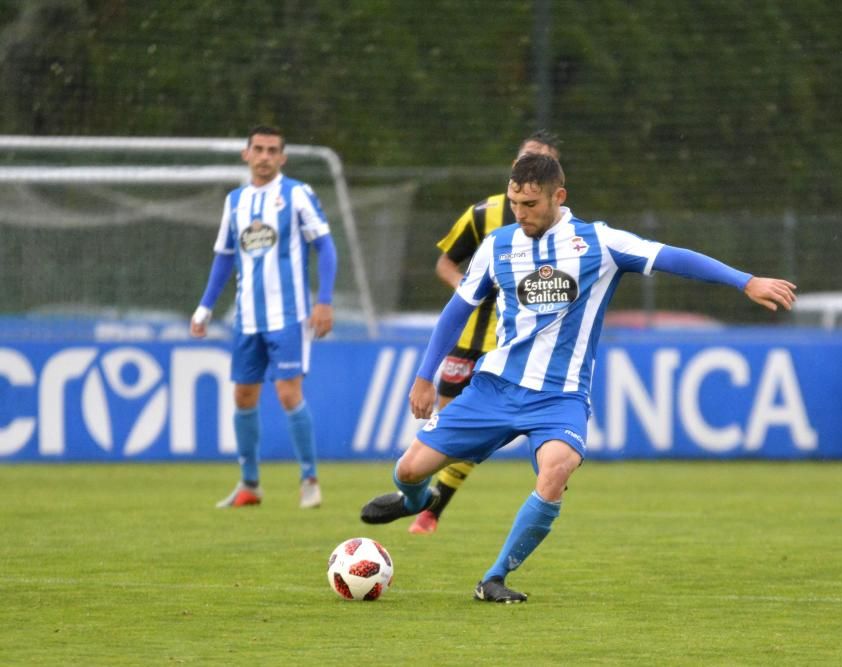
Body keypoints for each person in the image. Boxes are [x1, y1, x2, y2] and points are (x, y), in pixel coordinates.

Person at [360, 153, 796, 602]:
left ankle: (494, 578)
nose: (520, 212)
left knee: (556, 470)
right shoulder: (497, 245)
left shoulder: (598, 243)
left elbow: (671, 257)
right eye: (514, 203)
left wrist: (744, 281)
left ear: (558, 196)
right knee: (409, 470)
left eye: (530, 204)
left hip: (560, 397)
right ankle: (415, 502)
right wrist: (424, 377)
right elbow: (457, 312)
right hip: (495, 387)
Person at [408, 130, 562, 535]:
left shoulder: (564, 229)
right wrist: (471, 290)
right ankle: (419, 497)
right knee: (446, 425)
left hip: (517, 350)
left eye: (543, 159)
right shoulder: (483, 215)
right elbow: (445, 264)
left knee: (478, 437)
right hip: (470, 339)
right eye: (527, 157)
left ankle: (432, 511)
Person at [190, 125, 337, 509]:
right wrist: (205, 307)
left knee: (288, 394)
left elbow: (325, 245)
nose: (265, 156)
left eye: (273, 150)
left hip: (288, 315)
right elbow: (224, 257)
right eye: (259, 149)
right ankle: (249, 484)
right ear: (246, 154)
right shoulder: (235, 201)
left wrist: (324, 300)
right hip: (247, 318)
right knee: (242, 395)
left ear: (282, 158)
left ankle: (309, 479)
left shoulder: (297, 194)